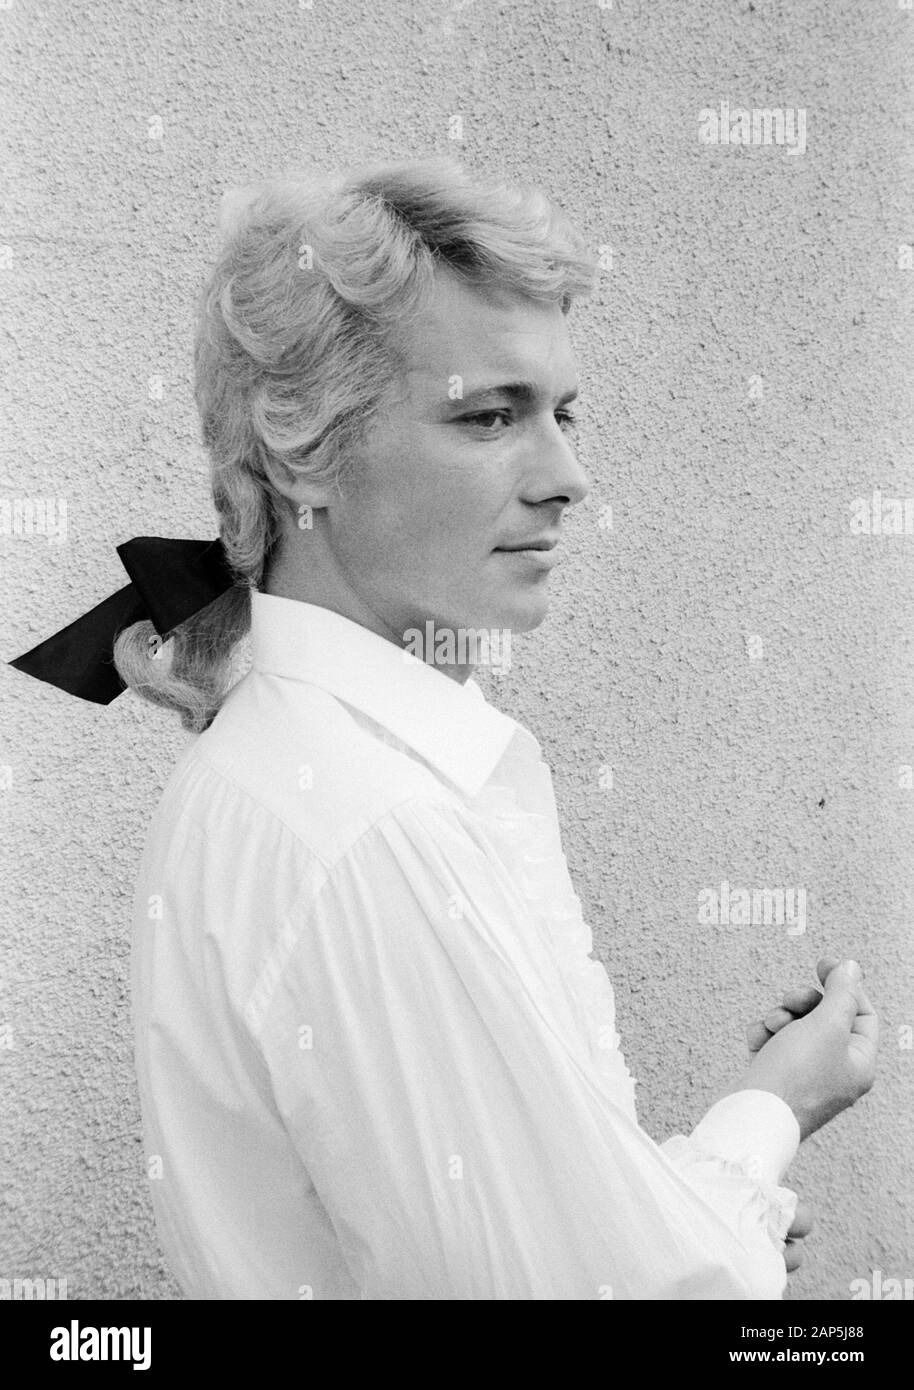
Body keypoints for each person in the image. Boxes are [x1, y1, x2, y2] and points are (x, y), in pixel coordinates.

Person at [112, 157, 877, 1299]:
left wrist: (682, 1196)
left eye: (561, 412)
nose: (567, 477)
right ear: (298, 452)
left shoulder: (293, 766)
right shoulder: (374, 831)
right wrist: (765, 1123)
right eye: (485, 416)